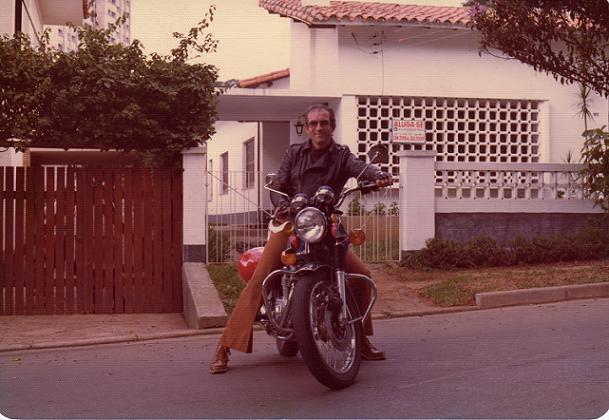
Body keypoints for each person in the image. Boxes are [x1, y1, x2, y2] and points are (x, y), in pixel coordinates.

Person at [209, 104, 393, 374]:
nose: (319, 128)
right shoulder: (294, 153)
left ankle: (360, 339)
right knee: (261, 280)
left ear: (332, 126)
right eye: (314, 124)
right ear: (306, 128)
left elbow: (360, 168)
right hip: (292, 222)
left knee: (360, 276)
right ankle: (224, 346)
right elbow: (278, 185)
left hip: (326, 223)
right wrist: (282, 204)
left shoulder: (341, 155)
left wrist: (378, 176)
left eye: (324, 123)